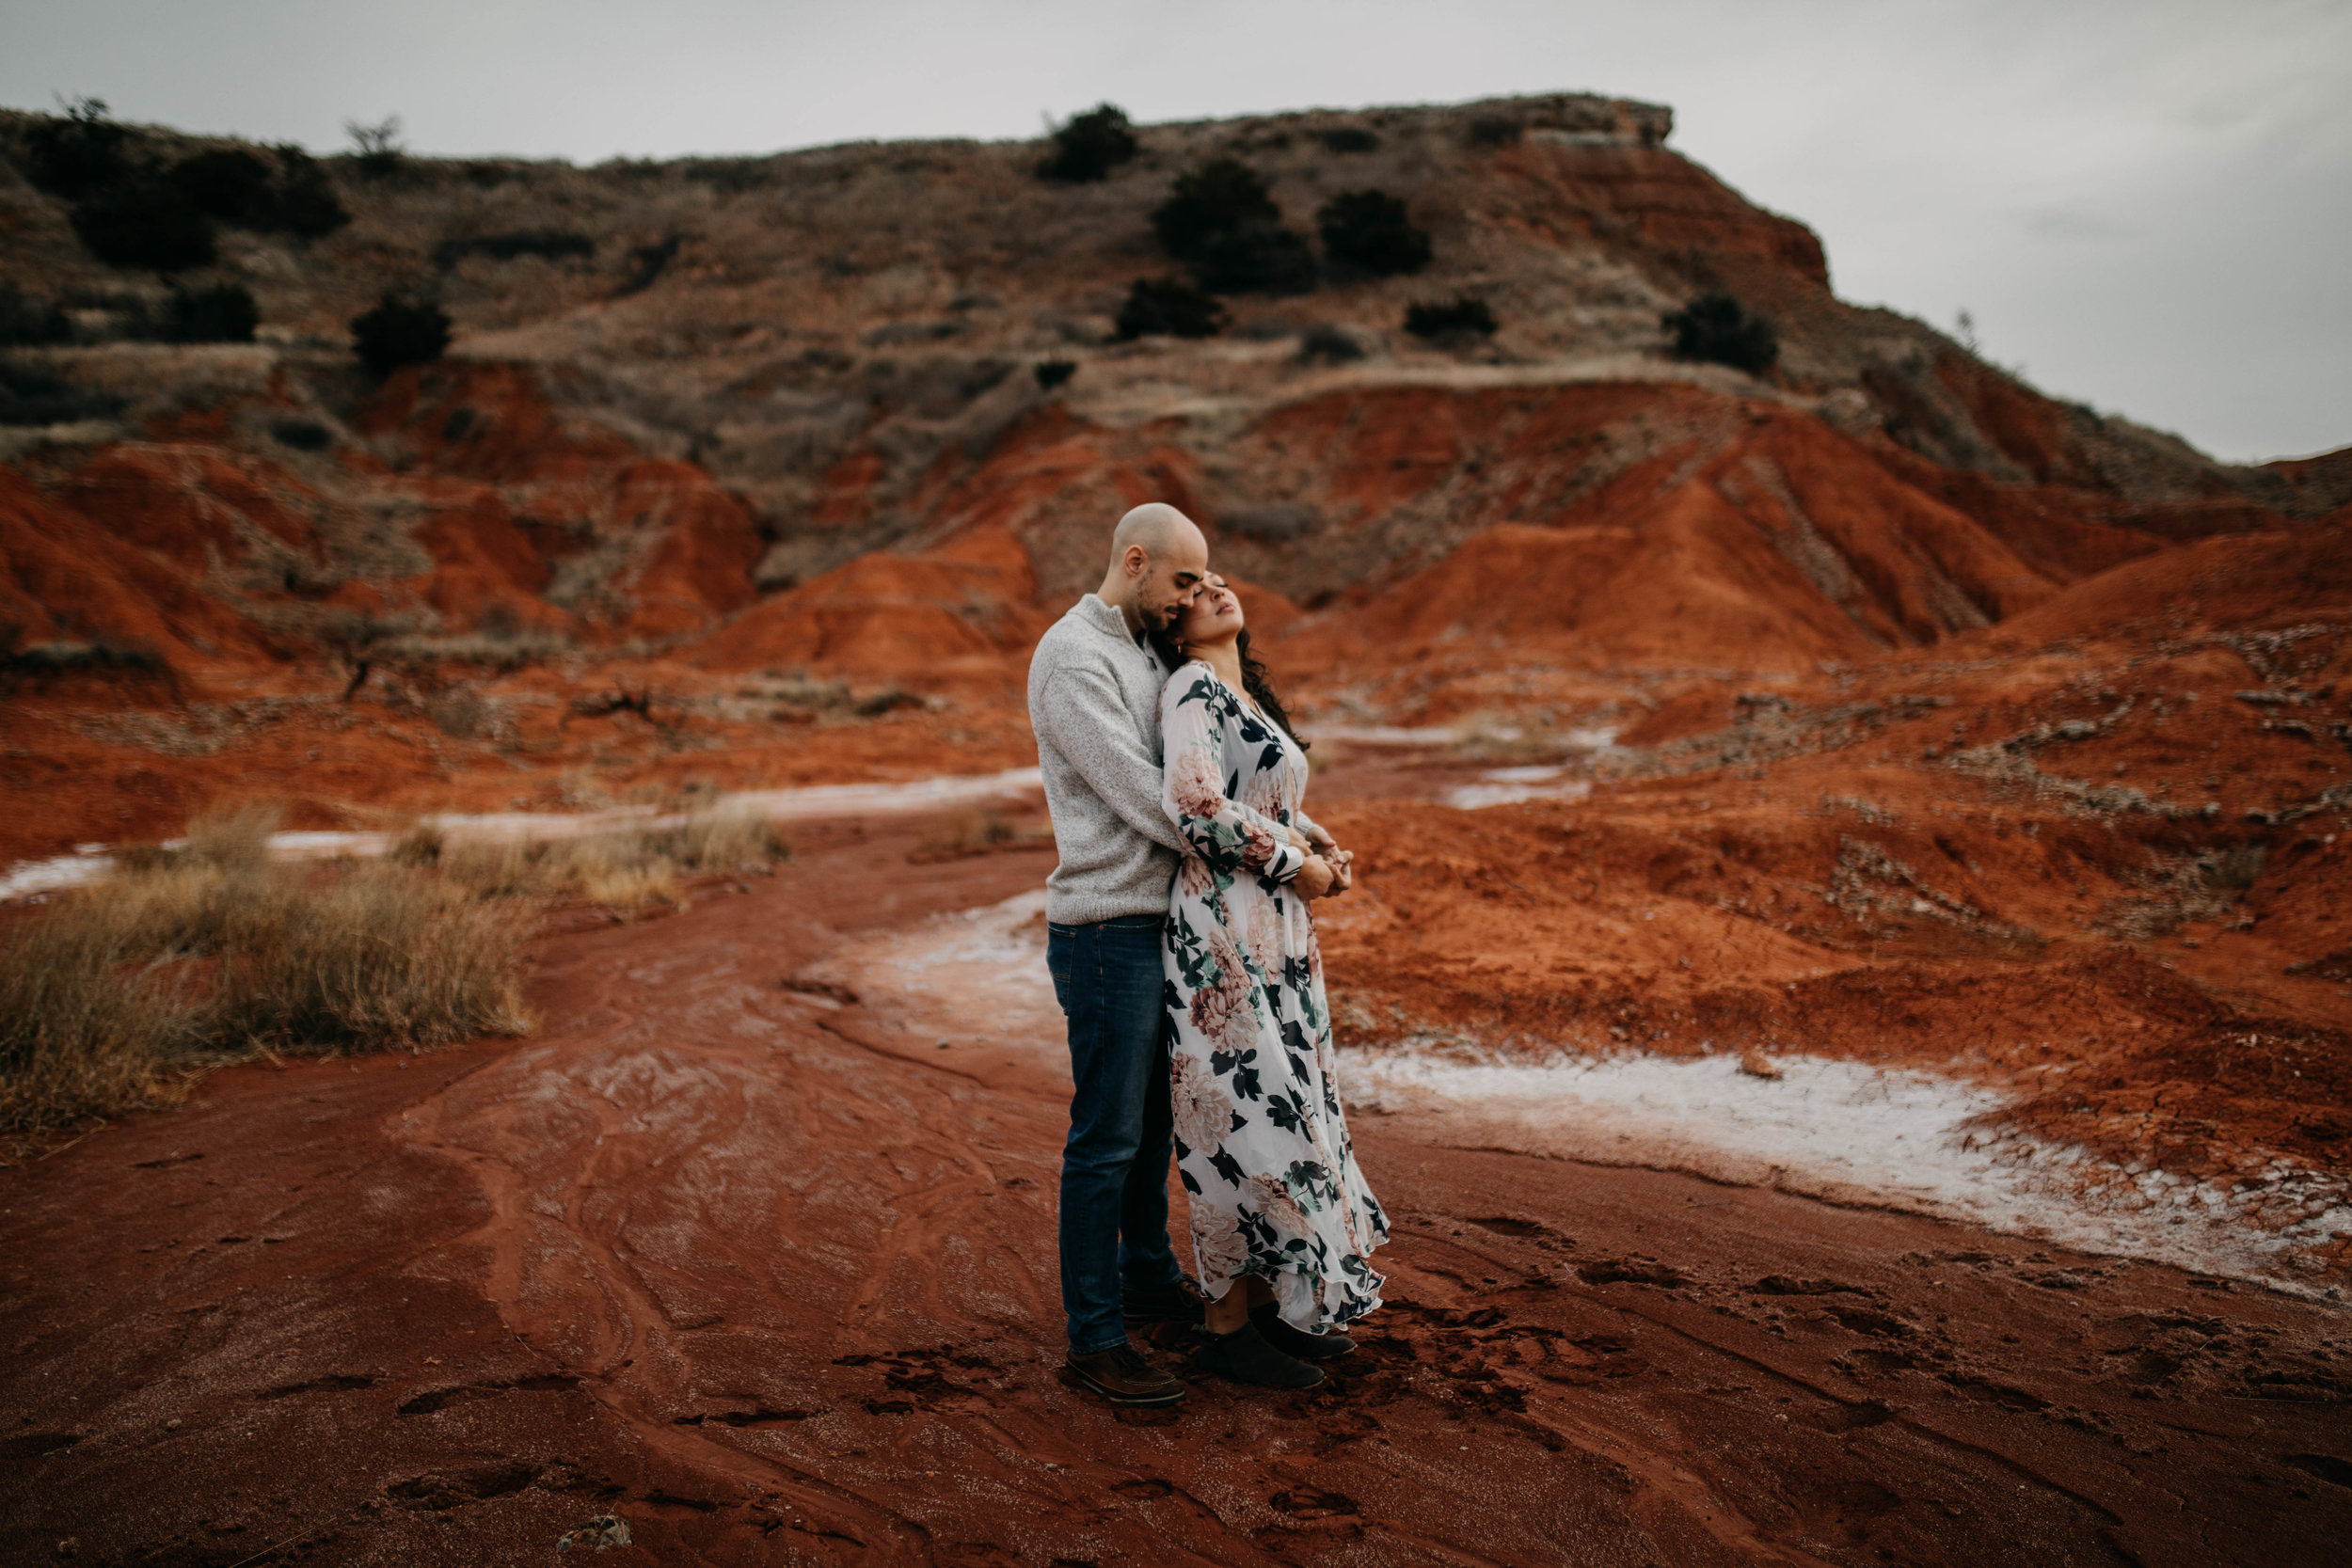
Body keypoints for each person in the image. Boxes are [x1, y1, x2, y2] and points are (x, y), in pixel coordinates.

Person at [1151, 575, 1387, 1390]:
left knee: (1283, 1112)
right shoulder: (1190, 686)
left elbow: (1265, 799)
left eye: (1218, 577)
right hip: (1223, 933)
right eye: (1192, 585)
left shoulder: (1236, 694)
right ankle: (1224, 1327)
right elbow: (1195, 804)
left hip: (1275, 932)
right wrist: (1297, 863)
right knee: (1242, 1127)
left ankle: (1259, 1315)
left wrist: (1323, 850)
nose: (1214, 587)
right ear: (1172, 624)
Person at [1026, 501, 1216, 1408]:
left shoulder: (1146, 647)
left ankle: (1145, 1277)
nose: (1189, 600)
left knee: (1150, 1134)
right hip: (1105, 929)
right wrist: (1259, 847)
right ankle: (1094, 1339)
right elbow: (1148, 797)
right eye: (1181, 581)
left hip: (1158, 922)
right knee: (1105, 1140)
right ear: (1134, 561)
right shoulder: (1073, 656)